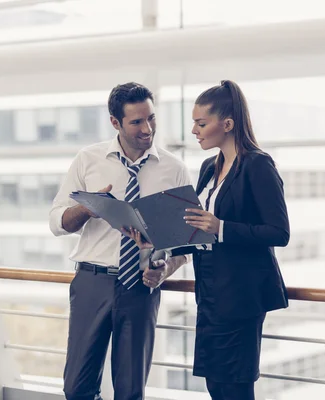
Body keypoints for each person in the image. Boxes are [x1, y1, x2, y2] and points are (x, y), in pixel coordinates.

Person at [127, 80, 290, 400]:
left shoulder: (258, 165)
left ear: (227, 124)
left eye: (201, 123)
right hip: (211, 292)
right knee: (216, 385)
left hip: (242, 295)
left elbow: (279, 232)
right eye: (194, 123)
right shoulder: (207, 167)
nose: (194, 131)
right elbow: (199, 230)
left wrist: (223, 227)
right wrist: (157, 242)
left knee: (236, 388)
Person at [49, 82, 191, 400]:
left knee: (130, 392)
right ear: (115, 122)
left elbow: (185, 245)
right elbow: (56, 222)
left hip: (141, 288)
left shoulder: (174, 170)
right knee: (76, 389)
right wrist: (88, 207)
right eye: (136, 121)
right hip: (91, 282)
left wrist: (164, 269)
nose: (147, 128)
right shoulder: (88, 160)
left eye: (151, 118)